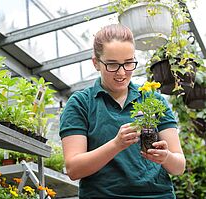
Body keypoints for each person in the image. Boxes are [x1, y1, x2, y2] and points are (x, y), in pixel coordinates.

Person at [59, 24, 186, 198]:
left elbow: (179, 166)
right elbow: (73, 169)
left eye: (128, 63)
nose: (121, 73)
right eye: (112, 65)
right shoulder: (81, 103)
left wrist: (165, 157)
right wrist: (116, 144)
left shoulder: (152, 100)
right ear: (96, 63)